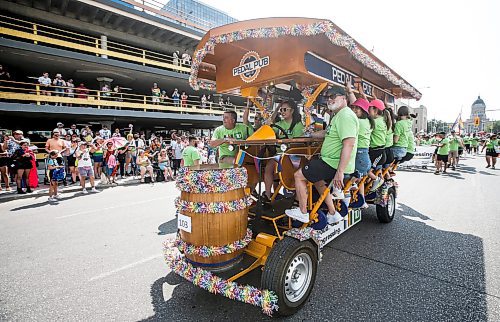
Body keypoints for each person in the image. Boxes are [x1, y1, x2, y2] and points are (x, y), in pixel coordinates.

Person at [285, 87, 359, 224]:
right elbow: (327, 133)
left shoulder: (346, 116)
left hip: (333, 163)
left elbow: (349, 144)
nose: (329, 99)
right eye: (327, 97)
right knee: (317, 180)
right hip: (329, 161)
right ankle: (332, 213)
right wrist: (310, 134)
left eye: (333, 96)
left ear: (344, 98)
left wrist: (340, 172)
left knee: (298, 175)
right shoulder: (339, 115)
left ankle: (302, 212)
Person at [261, 100, 304, 200]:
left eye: (285, 109)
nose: (282, 112)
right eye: (281, 110)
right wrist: (276, 109)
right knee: (268, 168)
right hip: (279, 155)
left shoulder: (298, 125)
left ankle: (296, 196)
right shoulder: (279, 124)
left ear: (292, 111)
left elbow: (298, 143)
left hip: (292, 156)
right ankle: (268, 196)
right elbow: (267, 126)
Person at [367, 98, 388, 191]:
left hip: (377, 152)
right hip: (378, 151)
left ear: (375, 110)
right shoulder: (382, 120)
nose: (368, 112)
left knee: (366, 170)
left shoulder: (375, 122)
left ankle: (378, 180)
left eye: (369, 109)